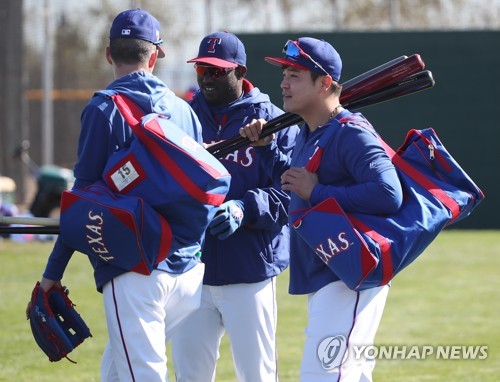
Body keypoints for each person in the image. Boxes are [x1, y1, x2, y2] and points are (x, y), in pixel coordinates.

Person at [31, 9, 206, 381]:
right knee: (115, 372)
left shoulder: (103, 108)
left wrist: (52, 274)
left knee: (142, 375)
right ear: (154, 55)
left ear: (109, 54)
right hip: (187, 273)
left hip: (135, 270)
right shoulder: (185, 111)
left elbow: (82, 200)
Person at [239, 37, 403, 381]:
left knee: (323, 374)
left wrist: (319, 191)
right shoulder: (310, 132)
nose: (284, 82)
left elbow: (390, 193)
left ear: (325, 82)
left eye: (295, 74)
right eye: (284, 73)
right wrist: (267, 149)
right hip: (330, 271)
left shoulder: (350, 133)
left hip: (350, 274)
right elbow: (294, 184)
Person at [170, 31, 299, 381]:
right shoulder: (182, 116)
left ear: (240, 72)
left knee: (256, 375)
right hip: (192, 271)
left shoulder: (274, 120)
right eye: (202, 70)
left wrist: (246, 208)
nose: (207, 78)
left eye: (217, 71)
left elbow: (291, 192)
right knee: (189, 375)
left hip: (250, 270)